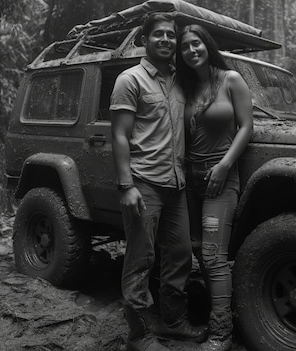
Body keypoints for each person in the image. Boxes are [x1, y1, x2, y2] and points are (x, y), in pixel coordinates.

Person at [109, 13, 206, 351]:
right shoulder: (130, 79)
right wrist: (127, 185)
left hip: (175, 185)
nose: (165, 40)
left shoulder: (180, 80)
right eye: (158, 35)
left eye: (170, 35)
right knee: (141, 259)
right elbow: (119, 135)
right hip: (144, 182)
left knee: (179, 256)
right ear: (144, 39)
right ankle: (138, 334)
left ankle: (174, 322)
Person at [176, 24, 253, 351]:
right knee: (197, 250)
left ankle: (222, 332)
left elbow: (247, 126)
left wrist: (224, 166)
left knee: (212, 254)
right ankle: (213, 312)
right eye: (186, 47)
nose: (192, 50)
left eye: (196, 44)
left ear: (207, 45)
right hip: (189, 178)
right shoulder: (188, 87)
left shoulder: (230, 80)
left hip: (219, 177)